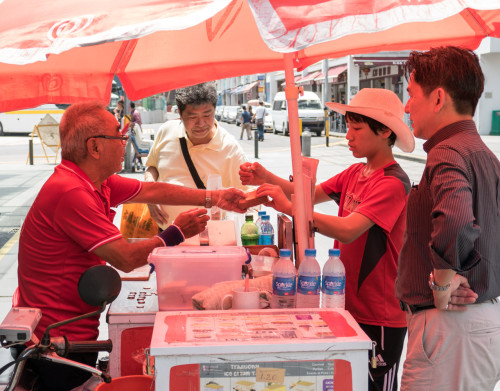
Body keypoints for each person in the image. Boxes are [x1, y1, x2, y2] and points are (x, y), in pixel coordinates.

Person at [14, 101, 246, 391]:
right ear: (95, 147)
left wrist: (214, 197)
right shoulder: (70, 191)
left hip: (71, 327)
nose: (126, 141)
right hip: (57, 339)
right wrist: (176, 232)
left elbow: (152, 189)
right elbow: (125, 258)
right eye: (119, 135)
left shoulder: (94, 182)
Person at [240, 88, 415, 391]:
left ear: (385, 130)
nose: (348, 135)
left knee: (376, 387)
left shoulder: (393, 182)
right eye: (348, 126)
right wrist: (265, 177)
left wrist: (291, 208)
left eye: (356, 128)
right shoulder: (354, 173)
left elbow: (348, 228)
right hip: (346, 304)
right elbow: (308, 194)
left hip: (382, 314)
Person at [395, 46, 500, 390]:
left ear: (438, 98)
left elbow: (455, 220)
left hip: (449, 328)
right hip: (477, 325)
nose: (407, 107)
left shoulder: (447, 151)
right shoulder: (483, 153)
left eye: (411, 95)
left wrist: (442, 282)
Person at [145, 82, 249, 229]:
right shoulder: (166, 131)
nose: (201, 123)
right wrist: (150, 191)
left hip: (210, 241)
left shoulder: (230, 149)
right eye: (193, 117)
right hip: (164, 235)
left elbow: (247, 199)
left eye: (207, 115)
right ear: (180, 115)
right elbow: (152, 167)